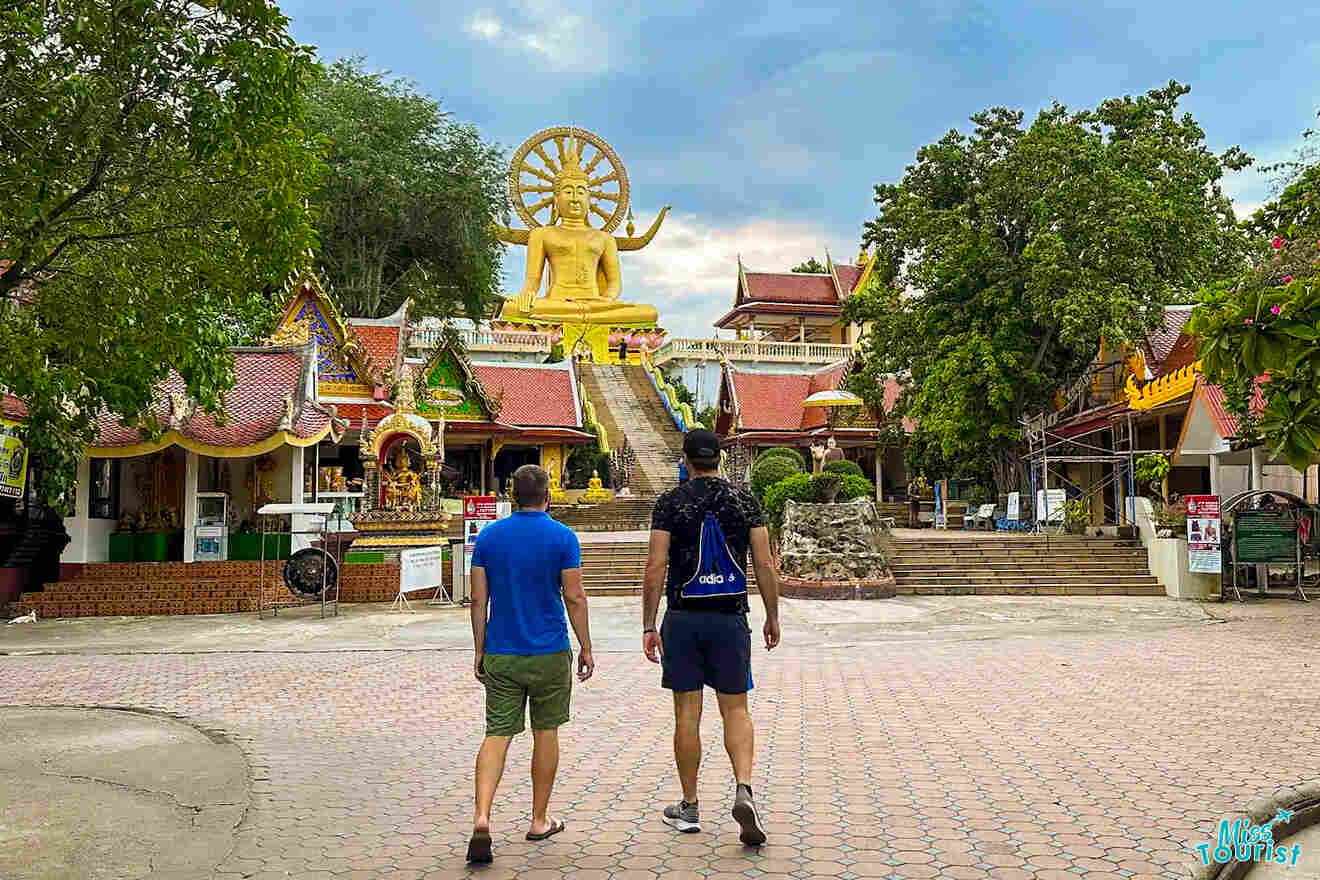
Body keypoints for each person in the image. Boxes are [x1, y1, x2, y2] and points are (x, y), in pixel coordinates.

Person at [643, 429, 781, 846]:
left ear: (686, 461)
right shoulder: (745, 501)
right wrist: (772, 615)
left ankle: (689, 806)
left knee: (687, 714)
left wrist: (649, 624)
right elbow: (764, 563)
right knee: (736, 710)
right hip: (730, 618)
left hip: (684, 619)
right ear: (719, 460)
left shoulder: (670, 503)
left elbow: (656, 565)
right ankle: (743, 787)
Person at [466, 464, 594, 864]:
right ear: (548, 494)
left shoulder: (488, 537)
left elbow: (477, 600)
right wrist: (586, 646)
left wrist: (479, 649)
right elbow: (574, 597)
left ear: (512, 494)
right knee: (546, 732)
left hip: (502, 650)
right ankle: (539, 819)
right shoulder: (562, 537)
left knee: (497, 734)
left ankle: (482, 817)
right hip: (549, 651)